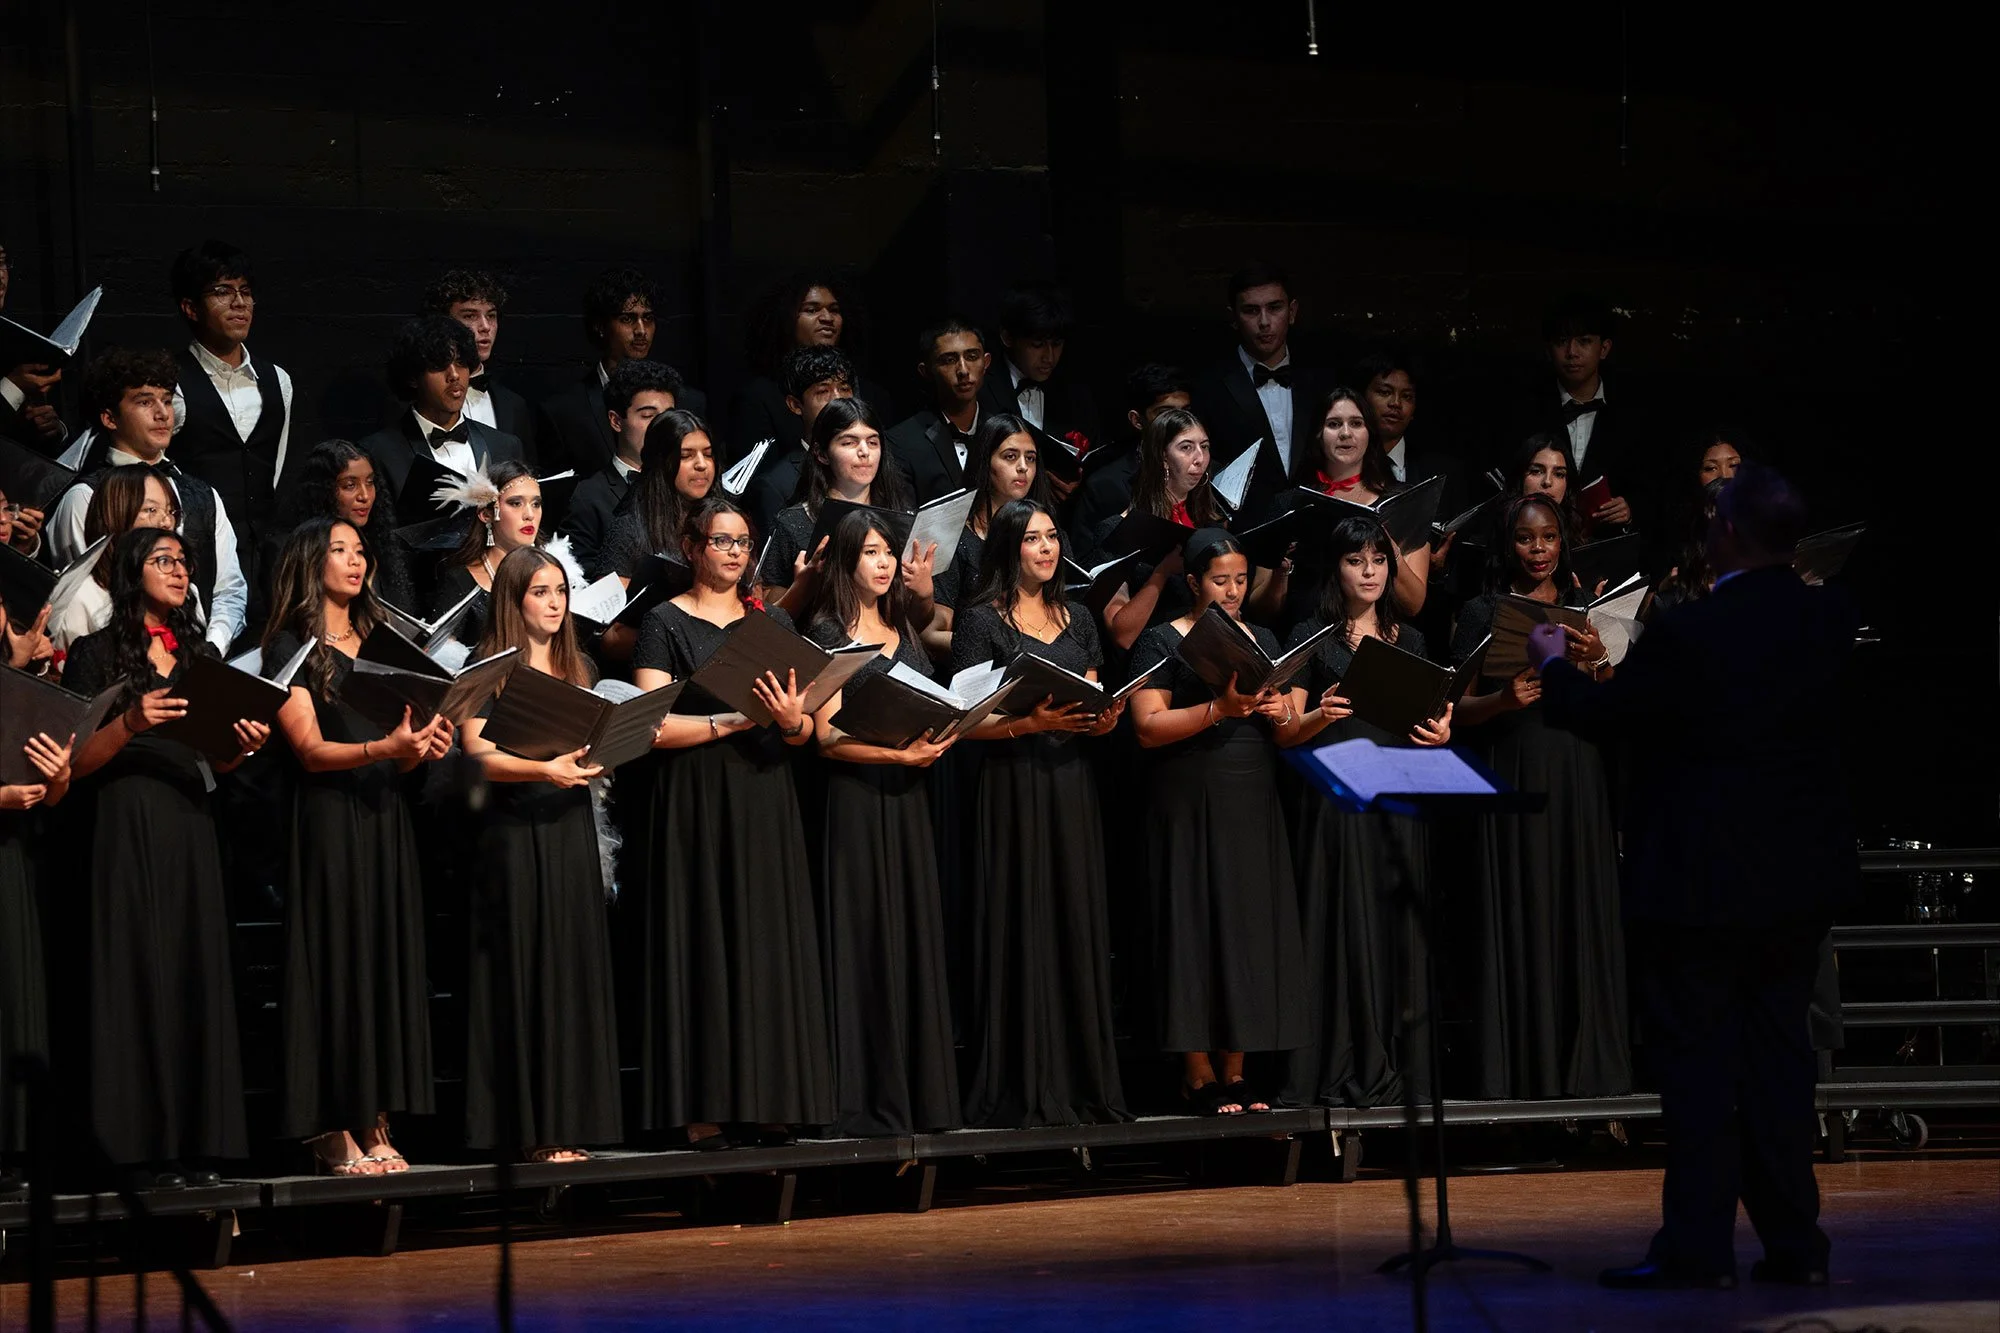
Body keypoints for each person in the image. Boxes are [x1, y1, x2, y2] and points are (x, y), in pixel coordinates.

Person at [1528, 463, 1856, 1290]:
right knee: (1782, 1066)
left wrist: (1552, 664)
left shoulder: (1693, 629)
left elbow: (1610, 716)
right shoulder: (1828, 622)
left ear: (1732, 533)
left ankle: (1698, 1249)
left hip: (1702, 888)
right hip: (1794, 885)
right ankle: (1797, 1248)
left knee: (1702, 1075)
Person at [64, 526, 270, 1189]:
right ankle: (134, 1149)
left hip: (189, 818)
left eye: (185, 561)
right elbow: (75, 763)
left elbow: (212, 754)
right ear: (131, 571)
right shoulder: (96, 655)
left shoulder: (198, 655)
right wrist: (131, 722)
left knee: (191, 972)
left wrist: (239, 744)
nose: (180, 570)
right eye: (164, 560)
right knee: (136, 973)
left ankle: (191, 1141)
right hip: (125, 821)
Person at [631, 497, 832, 1146]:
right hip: (695, 799)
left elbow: (799, 731)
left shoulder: (770, 620)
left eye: (743, 543)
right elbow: (650, 724)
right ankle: (703, 1109)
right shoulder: (665, 621)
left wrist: (791, 718)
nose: (734, 553)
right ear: (692, 547)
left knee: (764, 945)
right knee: (704, 944)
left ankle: (768, 1097)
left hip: (764, 795)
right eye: (720, 541)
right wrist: (734, 721)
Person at [263, 518, 450, 1176]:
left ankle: (375, 1117)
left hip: (381, 818)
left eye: (360, 549)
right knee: (334, 964)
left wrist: (417, 750)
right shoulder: (287, 645)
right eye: (339, 549)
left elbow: (402, 752)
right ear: (310, 561)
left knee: (379, 964)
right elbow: (311, 751)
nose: (354, 559)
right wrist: (388, 748)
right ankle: (328, 1123)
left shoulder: (381, 641)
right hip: (327, 822)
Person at [948, 499, 1127, 1127]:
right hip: (1012, 782)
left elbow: (1097, 693)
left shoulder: (1078, 616)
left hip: (1071, 781)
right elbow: (966, 723)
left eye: (1052, 537)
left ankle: (1081, 1080)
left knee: (1073, 917)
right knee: (1018, 917)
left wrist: (1104, 719)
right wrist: (1027, 723)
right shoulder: (979, 621)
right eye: (1032, 539)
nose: (1046, 549)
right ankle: (1019, 1083)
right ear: (1007, 548)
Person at [1448, 493, 1630, 1101]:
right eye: (1526, 539)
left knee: (1576, 908)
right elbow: (1455, 712)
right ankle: (1524, 1077)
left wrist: (1600, 660)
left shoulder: (1586, 610)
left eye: (1549, 538)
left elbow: (1615, 705)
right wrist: (1504, 700)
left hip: (1578, 770)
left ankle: (1588, 1080)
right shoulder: (1482, 612)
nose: (1538, 550)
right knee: (1524, 908)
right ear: (1509, 545)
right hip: (1513, 765)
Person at [1127, 529, 1308, 1115]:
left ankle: (1237, 1071)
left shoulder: (1267, 639)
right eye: (1219, 581)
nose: (1232, 592)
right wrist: (1218, 711)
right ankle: (1197, 1074)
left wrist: (1285, 712)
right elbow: (1147, 726)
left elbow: (1286, 733)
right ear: (1193, 582)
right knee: (1194, 926)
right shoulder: (1163, 639)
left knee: (1247, 928)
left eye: (1239, 580)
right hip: (1187, 795)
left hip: (1251, 796)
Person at [1276, 515, 1453, 1108]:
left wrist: (1441, 733)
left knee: (1393, 923)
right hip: (1338, 798)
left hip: (1397, 795)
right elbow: (1287, 733)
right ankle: (1338, 1057)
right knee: (1341, 919)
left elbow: (1430, 722)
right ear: (1339, 569)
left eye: (1379, 559)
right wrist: (1319, 715)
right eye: (1357, 561)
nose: (1371, 570)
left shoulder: (1414, 641)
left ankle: (1402, 1068)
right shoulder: (1311, 636)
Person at [458, 547, 626, 1162]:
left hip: (568, 827)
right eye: (540, 592)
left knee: (568, 968)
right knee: (523, 968)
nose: (555, 603)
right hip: (513, 831)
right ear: (514, 600)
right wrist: (543, 768)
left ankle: (565, 1121)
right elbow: (475, 753)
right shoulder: (489, 667)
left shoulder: (577, 666)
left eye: (560, 591)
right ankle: (524, 1130)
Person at [802, 511, 961, 1136]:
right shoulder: (825, 629)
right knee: (866, 937)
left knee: (910, 935)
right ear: (846, 563)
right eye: (870, 552)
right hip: (858, 800)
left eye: (888, 551)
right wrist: (900, 753)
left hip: (909, 794)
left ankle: (919, 1092)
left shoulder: (902, 627)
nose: (884, 562)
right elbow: (826, 734)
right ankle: (867, 1096)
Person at [49, 348, 249, 651]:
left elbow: (229, 590)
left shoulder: (202, 496)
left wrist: (210, 649)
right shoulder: (86, 497)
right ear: (109, 417)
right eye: (144, 401)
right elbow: (83, 597)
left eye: (167, 401)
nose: (162, 413)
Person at [163, 241, 295, 605]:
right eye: (222, 292)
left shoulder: (277, 380)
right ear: (190, 307)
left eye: (246, 292)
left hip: (265, 564)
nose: (239, 303)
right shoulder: (170, 382)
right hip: (197, 561)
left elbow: (274, 466)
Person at [1257, 385, 1431, 625]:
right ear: (1319, 433)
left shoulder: (1402, 502)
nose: (1346, 433)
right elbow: (1259, 609)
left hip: (1372, 641)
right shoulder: (1288, 503)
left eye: (1357, 423)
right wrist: (1281, 572)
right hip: (1304, 638)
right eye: (1334, 424)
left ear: (1370, 433)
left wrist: (1391, 552)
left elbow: (1413, 605)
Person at [0, 603, 72, 1183]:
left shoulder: (18, 686)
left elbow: (52, 794)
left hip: (14, 854)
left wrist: (58, 778)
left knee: (15, 994)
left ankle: (16, 1149)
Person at [539, 267, 705, 480]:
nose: (641, 330)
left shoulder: (690, 402)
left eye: (648, 318)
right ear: (601, 326)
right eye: (628, 319)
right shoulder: (564, 412)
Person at [755, 398, 917, 615]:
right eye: (849, 442)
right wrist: (804, 587)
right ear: (821, 454)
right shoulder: (794, 523)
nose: (864, 452)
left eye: (872, 442)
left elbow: (918, 620)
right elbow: (770, 614)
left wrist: (923, 592)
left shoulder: (900, 517)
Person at [1190, 262, 1324, 522]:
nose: (1264, 322)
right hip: (1242, 533)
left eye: (1274, 308)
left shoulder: (1320, 380)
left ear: (1292, 311)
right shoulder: (1210, 387)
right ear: (1234, 318)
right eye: (1251, 311)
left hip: (1314, 529)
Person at [357, 316, 527, 510]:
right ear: (413, 377)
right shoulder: (379, 453)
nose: (454, 375)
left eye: (461, 363)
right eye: (439, 366)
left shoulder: (505, 446)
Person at [729, 273, 888, 471]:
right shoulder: (760, 397)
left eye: (834, 310)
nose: (827, 318)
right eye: (811, 310)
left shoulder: (871, 394)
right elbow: (758, 480)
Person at [1092, 407, 1218, 651]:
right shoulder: (1119, 530)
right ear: (1162, 457)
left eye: (1205, 446)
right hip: (1151, 658)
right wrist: (1161, 574)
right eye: (1186, 447)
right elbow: (1121, 633)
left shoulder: (1210, 525)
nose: (1200, 458)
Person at [925, 412, 1051, 648]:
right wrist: (992, 647)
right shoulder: (956, 539)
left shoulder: (1050, 536)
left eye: (1031, 458)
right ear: (985, 462)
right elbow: (933, 631)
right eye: (1010, 457)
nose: (1023, 467)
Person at [564, 359, 684, 576]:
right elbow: (581, 574)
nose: (663, 426)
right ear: (616, 421)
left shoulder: (687, 484)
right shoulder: (589, 496)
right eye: (648, 416)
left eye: (669, 416)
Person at [978, 282, 1102, 488]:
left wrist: (1079, 485)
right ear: (1008, 338)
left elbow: (1094, 458)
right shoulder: (982, 387)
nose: (1049, 357)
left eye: (1057, 344)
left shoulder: (1076, 393)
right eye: (1037, 345)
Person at [271, 439, 416, 612]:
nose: (365, 496)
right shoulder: (287, 549)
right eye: (350, 485)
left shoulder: (381, 546)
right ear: (324, 491)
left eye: (370, 482)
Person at [423, 269, 540, 459]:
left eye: (491, 316)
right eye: (470, 316)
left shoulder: (513, 405)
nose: (485, 327)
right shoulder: (413, 400)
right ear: (442, 322)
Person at [1070, 363, 1194, 539]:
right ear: (1137, 420)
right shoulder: (1106, 486)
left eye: (1185, 412)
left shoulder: (1209, 471)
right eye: (1165, 414)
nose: (1180, 424)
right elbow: (1087, 559)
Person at [426, 460, 549, 638]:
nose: (530, 514)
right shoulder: (460, 580)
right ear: (486, 514)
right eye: (516, 503)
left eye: (536, 504)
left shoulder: (552, 570)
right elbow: (441, 652)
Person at [744, 346, 857, 540]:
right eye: (823, 391)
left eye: (844, 388)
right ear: (795, 405)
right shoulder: (776, 486)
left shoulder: (872, 463)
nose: (838, 399)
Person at [885, 319, 989, 504]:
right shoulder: (901, 441)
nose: (963, 370)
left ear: (986, 362)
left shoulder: (1004, 433)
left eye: (972, 357)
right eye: (949, 360)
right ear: (926, 371)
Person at [1353, 349, 1465, 512]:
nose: (1396, 403)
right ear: (1362, 399)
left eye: (1407, 396)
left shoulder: (1445, 474)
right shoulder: (1341, 464)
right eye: (1385, 392)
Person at [0, 237, 69, 450]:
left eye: (2, 262)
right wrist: (13, 388)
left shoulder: (16, 341)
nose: (0, 276)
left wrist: (52, 428)